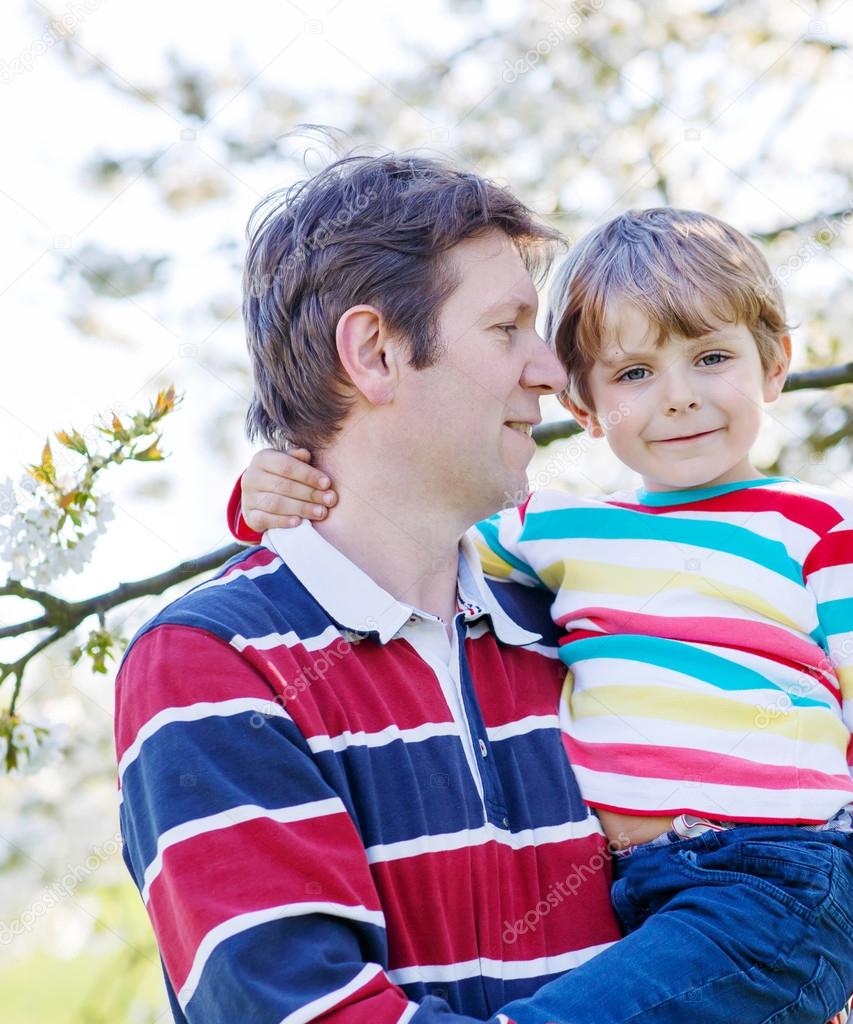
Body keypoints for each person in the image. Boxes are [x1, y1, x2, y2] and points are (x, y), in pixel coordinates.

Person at [238, 207, 853, 1024]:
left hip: (776, 887)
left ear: (775, 364)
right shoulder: (555, 532)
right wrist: (272, 492)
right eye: (634, 374)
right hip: (636, 893)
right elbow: (398, 524)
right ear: (582, 404)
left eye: (712, 358)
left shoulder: (824, 531)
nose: (678, 399)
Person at [114, 152, 629, 1024]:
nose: (551, 371)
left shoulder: (577, 622)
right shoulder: (213, 669)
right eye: (508, 330)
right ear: (377, 353)